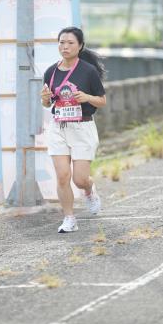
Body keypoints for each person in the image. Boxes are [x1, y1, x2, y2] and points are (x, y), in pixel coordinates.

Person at [40, 26, 106, 233]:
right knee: (62, 176)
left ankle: (89, 190)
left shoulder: (88, 71)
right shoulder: (51, 72)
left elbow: (102, 101)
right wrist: (44, 98)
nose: (65, 46)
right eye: (61, 42)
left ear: (80, 46)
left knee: (79, 179)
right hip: (58, 127)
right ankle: (69, 218)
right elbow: (47, 103)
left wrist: (86, 98)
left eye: (70, 43)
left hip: (82, 127)